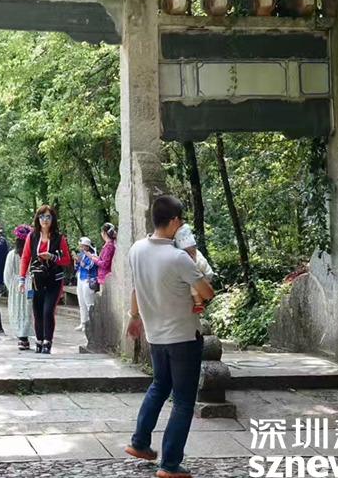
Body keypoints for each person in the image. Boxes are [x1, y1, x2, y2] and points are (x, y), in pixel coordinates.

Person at [124, 195, 215, 478]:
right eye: (181, 219)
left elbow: (136, 288)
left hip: (155, 336)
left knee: (159, 386)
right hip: (183, 336)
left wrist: (134, 317)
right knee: (184, 401)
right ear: (174, 221)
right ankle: (170, 464)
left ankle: (139, 442)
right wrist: (197, 279)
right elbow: (207, 292)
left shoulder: (136, 250)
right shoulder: (178, 258)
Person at [19, 205, 72, 354]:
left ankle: (47, 341)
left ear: (53, 219)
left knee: (48, 310)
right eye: (42, 217)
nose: (45, 220)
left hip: (54, 280)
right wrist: (21, 279)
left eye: (48, 217)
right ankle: (39, 340)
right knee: (37, 311)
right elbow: (25, 258)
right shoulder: (32, 236)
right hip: (37, 280)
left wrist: (52, 257)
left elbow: (67, 260)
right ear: (38, 219)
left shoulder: (59, 238)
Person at [4, 224, 34, 350]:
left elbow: (7, 274)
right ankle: (27, 336)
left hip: (17, 285)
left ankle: (22, 338)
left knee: (17, 311)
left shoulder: (12, 254)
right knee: (29, 310)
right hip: (31, 283)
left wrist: (11, 287)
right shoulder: (33, 254)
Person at [173, 223, 214, 313]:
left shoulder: (199, 260)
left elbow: (207, 273)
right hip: (193, 279)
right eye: (187, 252)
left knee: (194, 286)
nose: (190, 254)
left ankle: (199, 304)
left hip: (203, 277)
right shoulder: (181, 259)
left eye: (192, 251)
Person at [75, 237, 98, 332]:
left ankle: (91, 324)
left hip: (88, 279)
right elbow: (77, 267)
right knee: (81, 302)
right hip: (80, 278)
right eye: (80, 246)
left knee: (89, 302)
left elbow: (90, 266)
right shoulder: (81, 254)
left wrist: (81, 262)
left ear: (87, 246)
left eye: (82, 246)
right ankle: (83, 322)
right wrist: (76, 262)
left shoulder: (92, 255)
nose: (81, 248)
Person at [97, 223, 116, 287]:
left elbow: (105, 264)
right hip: (104, 277)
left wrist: (94, 260)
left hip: (105, 278)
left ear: (104, 233)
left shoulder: (109, 246)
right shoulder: (109, 244)